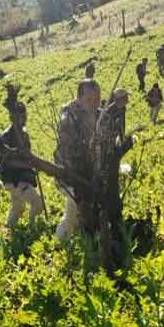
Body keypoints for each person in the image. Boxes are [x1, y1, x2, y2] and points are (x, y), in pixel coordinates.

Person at [54, 79, 101, 240]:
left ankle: (86, 239)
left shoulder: (97, 114)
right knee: (72, 214)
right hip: (72, 177)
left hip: (89, 176)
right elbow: (69, 152)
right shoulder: (68, 119)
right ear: (78, 99)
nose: (94, 104)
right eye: (89, 100)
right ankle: (59, 243)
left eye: (97, 99)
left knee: (83, 213)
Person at [0, 104, 43, 229]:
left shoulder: (24, 134)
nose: (24, 119)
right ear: (12, 118)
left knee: (18, 207)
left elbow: (27, 155)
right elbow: (9, 161)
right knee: (37, 204)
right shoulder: (7, 136)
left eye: (25, 115)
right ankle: (32, 229)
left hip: (20, 178)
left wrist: (34, 163)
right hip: (15, 179)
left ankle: (9, 230)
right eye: (21, 116)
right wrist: (30, 165)